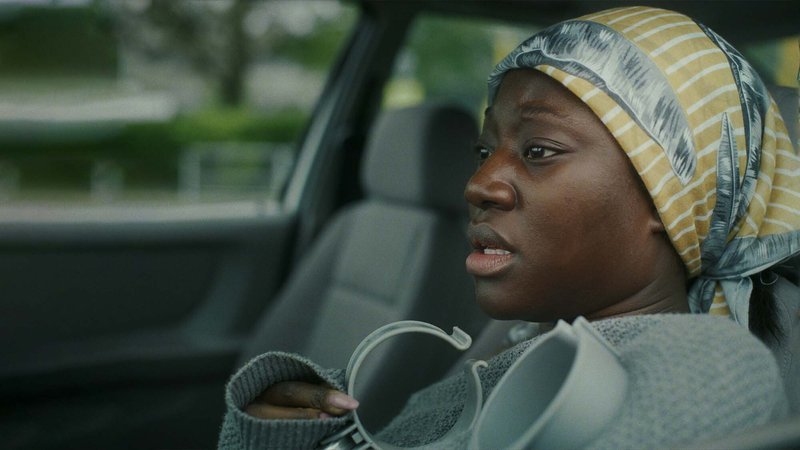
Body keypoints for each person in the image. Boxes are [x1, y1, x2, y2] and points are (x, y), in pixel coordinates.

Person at [218, 6, 800, 449]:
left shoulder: (705, 371)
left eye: (539, 150)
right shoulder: (523, 342)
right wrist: (291, 434)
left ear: (675, 193)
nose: (478, 185)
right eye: (483, 151)